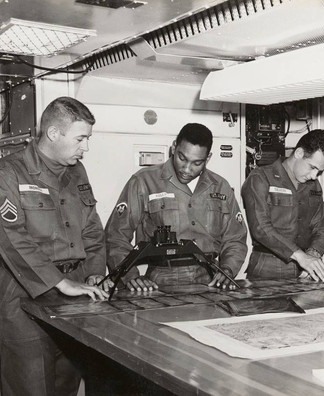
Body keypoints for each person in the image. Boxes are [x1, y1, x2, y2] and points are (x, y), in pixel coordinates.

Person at [0, 96, 110, 396]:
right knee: (32, 388)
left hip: (73, 297)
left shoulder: (77, 172)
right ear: (53, 134)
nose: (85, 148)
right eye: (80, 139)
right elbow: (10, 237)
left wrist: (94, 274)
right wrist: (60, 282)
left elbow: (92, 230)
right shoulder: (9, 172)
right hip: (24, 300)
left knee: (67, 385)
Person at [106, 123, 247, 291]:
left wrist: (227, 269)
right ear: (174, 147)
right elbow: (116, 235)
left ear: (207, 158)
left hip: (210, 279)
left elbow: (235, 238)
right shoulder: (144, 181)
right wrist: (130, 276)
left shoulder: (220, 186)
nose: (187, 169)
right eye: (182, 158)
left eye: (197, 163)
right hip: (161, 279)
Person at [241, 129, 324, 281]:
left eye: (319, 172)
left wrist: (312, 255)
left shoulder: (314, 186)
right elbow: (260, 227)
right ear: (298, 153)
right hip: (267, 269)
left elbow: (322, 227)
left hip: (304, 270)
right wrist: (300, 256)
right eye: (312, 167)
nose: (314, 176)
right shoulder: (260, 178)